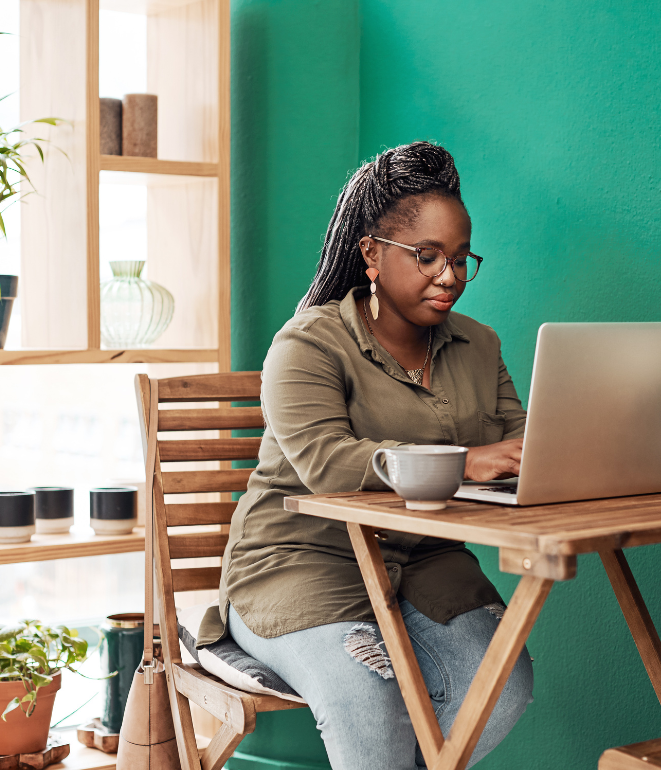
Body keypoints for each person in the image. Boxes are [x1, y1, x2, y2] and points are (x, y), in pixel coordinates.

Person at [201, 141, 531, 770]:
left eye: (462, 259)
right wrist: (465, 461)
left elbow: (520, 445)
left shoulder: (478, 345)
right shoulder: (307, 345)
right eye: (427, 256)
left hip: (427, 558)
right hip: (302, 561)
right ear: (372, 254)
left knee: (502, 688)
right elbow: (328, 465)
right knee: (372, 702)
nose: (449, 276)